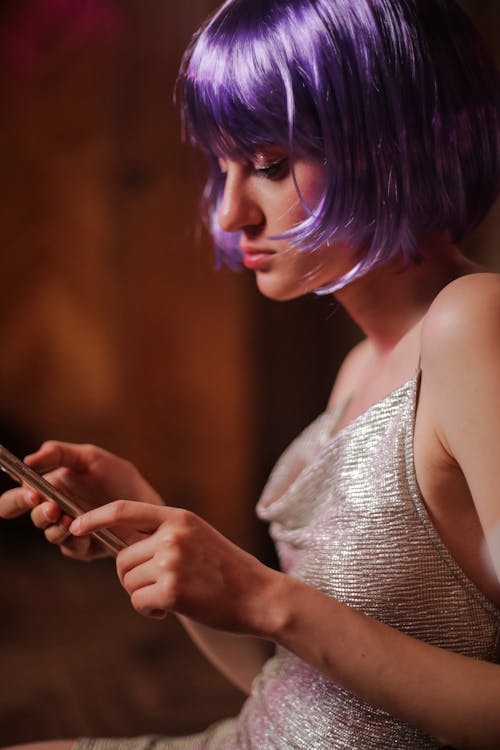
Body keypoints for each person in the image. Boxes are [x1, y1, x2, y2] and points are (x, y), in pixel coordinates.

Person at [1, 0, 499, 748]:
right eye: (221, 166)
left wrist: (263, 595)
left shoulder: (473, 322)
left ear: (387, 143)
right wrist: (150, 521)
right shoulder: (362, 364)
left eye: (268, 165)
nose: (230, 214)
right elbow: (314, 695)